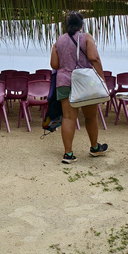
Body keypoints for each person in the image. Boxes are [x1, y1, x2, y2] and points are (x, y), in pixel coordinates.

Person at [50, 11, 108, 163]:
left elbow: (54, 65)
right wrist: (102, 79)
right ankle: (94, 148)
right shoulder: (86, 37)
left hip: (64, 81)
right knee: (91, 116)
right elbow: (93, 58)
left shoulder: (59, 40)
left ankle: (68, 154)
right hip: (84, 83)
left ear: (66, 25)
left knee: (68, 118)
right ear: (81, 25)